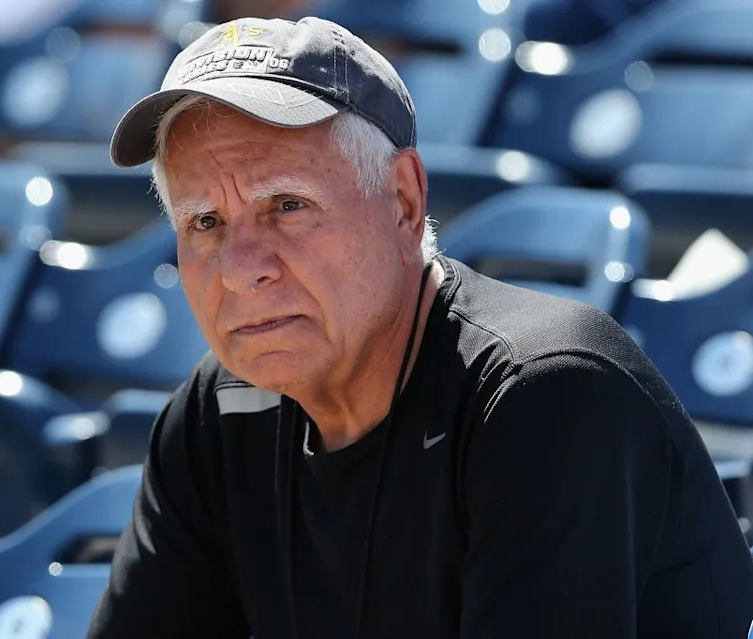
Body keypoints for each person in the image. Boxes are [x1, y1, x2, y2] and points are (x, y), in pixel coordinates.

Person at [86, 16, 753, 638]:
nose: (241, 270)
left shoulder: (543, 395)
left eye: (287, 205)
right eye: (205, 222)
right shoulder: (218, 408)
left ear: (403, 201)